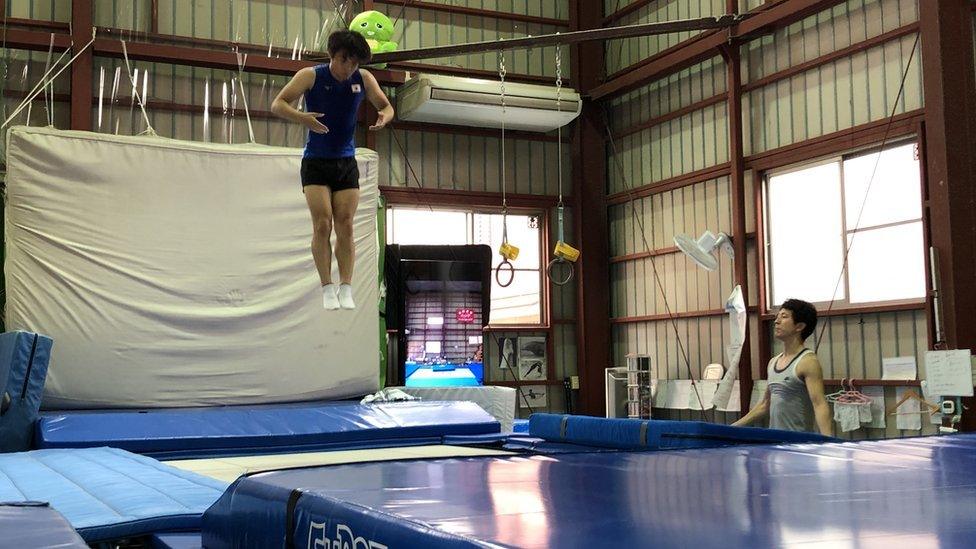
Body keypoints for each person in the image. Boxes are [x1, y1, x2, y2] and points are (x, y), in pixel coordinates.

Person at [271, 30, 394, 310]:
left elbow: (386, 106)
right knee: (323, 223)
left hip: (345, 162)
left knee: (346, 224)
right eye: (344, 61)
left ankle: (346, 286)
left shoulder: (363, 79)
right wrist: (302, 118)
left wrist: (384, 116)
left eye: (354, 63)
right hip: (316, 161)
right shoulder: (310, 76)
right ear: (331, 56)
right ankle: (327, 286)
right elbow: (277, 104)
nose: (348, 68)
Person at [732, 298, 833, 436]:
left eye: (784, 317)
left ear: (799, 326)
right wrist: (732, 428)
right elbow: (764, 405)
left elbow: (819, 404)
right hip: (775, 444)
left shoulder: (808, 361)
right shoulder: (773, 362)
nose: (776, 321)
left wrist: (828, 441)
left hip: (798, 445)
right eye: (777, 317)